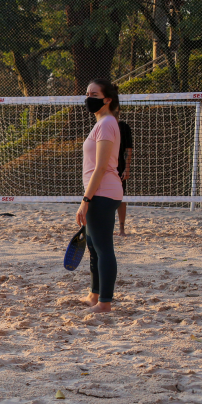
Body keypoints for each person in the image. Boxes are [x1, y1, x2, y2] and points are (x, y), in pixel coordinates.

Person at [76, 80, 123, 314]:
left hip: (103, 193)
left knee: (103, 248)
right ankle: (94, 296)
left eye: (93, 94)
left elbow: (102, 167)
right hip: (100, 193)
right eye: (87, 93)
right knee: (94, 247)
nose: (88, 97)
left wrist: (85, 200)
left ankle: (104, 303)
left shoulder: (106, 124)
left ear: (107, 99)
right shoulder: (103, 123)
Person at [112, 106, 133, 236]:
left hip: (119, 167)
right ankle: (107, 228)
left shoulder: (124, 127)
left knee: (121, 198)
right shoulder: (102, 126)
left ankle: (121, 229)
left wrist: (127, 168)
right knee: (104, 198)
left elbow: (128, 149)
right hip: (104, 168)